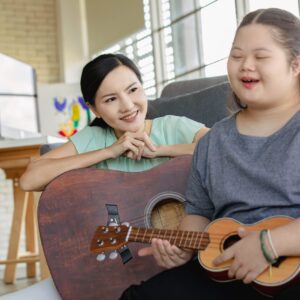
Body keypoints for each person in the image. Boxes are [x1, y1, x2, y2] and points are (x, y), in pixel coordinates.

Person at [120, 8, 300, 300]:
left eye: (261, 56)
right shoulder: (212, 142)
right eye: (237, 55)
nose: (245, 66)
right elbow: (199, 213)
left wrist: (270, 245)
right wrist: (181, 248)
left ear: (295, 65)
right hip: (228, 269)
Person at [1, 54, 208, 299]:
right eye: (111, 99)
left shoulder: (174, 127)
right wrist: (111, 150)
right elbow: (30, 179)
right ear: (94, 109)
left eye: (133, 90)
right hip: (116, 269)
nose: (128, 105)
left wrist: (157, 151)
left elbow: (224, 148)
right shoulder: (95, 139)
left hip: (180, 270)